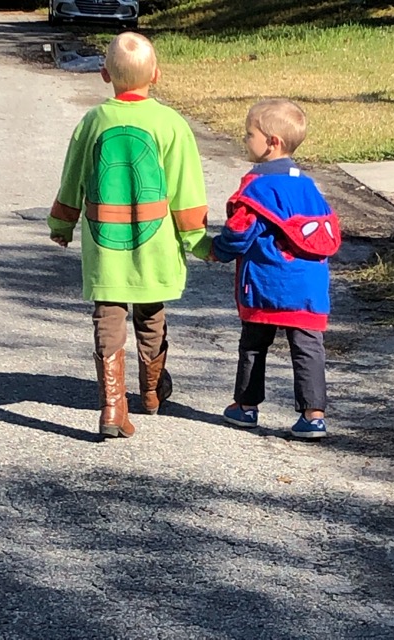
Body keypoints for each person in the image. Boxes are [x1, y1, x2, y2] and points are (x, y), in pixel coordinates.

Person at [48, 32, 211, 439]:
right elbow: (186, 189)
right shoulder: (171, 124)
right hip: (154, 245)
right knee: (151, 313)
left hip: (105, 245)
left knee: (108, 315)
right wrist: (197, 239)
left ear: (105, 74)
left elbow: (73, 178)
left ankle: (112, 405)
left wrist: (62, 223)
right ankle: (152, 392)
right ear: (156, 74)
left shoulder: (93, 121)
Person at [209, 98, 341, 439]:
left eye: (248, 134)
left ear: (272, 142)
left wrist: (216, 250)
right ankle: (313, 415)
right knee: (308, 348)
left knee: (254, 344)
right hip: (309, 287)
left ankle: (245, 406)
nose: (244, 139)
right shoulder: (308, 186)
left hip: (267, 283)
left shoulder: (257, 187)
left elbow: (239, 232)